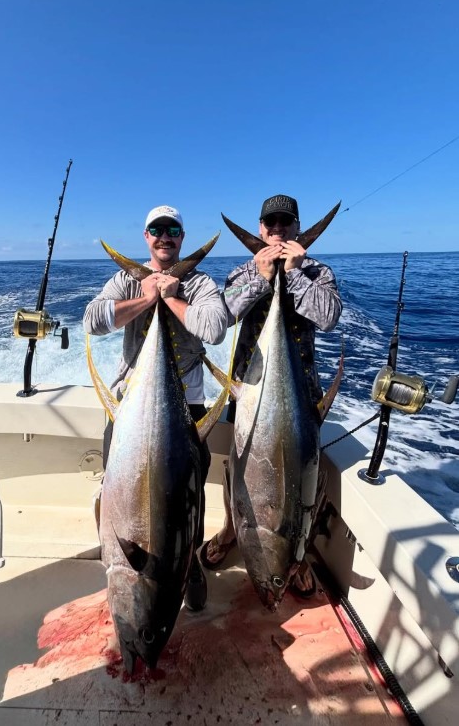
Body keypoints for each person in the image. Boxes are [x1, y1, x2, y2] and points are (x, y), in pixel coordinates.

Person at [83, 205, 228, 611]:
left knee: (186, 496)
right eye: (156, 230)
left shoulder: (198, 283)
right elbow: (92, 320)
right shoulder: (126, 279)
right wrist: (146, 299)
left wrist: (173, 298)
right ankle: (115, 557)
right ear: (147, 237)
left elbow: (215, 328)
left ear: (181, 237)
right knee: (119, 491)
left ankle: (189, 561)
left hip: (187, 407)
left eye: (173, 230)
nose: (165, 236)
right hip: (130, 408)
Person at [200, 194, 343, 596]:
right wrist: (262, 278)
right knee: (240, 471)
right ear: (260, 229)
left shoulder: (318, 272)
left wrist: (294, 274)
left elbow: (329, 318)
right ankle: (232, 531)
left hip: (300, 396)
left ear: (298, 227)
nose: (277, 231)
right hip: (252, 391)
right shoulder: (244, 270)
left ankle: (296, 553)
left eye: (285, 223)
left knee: (306, 479)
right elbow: (224, 316)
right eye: (270, 224)